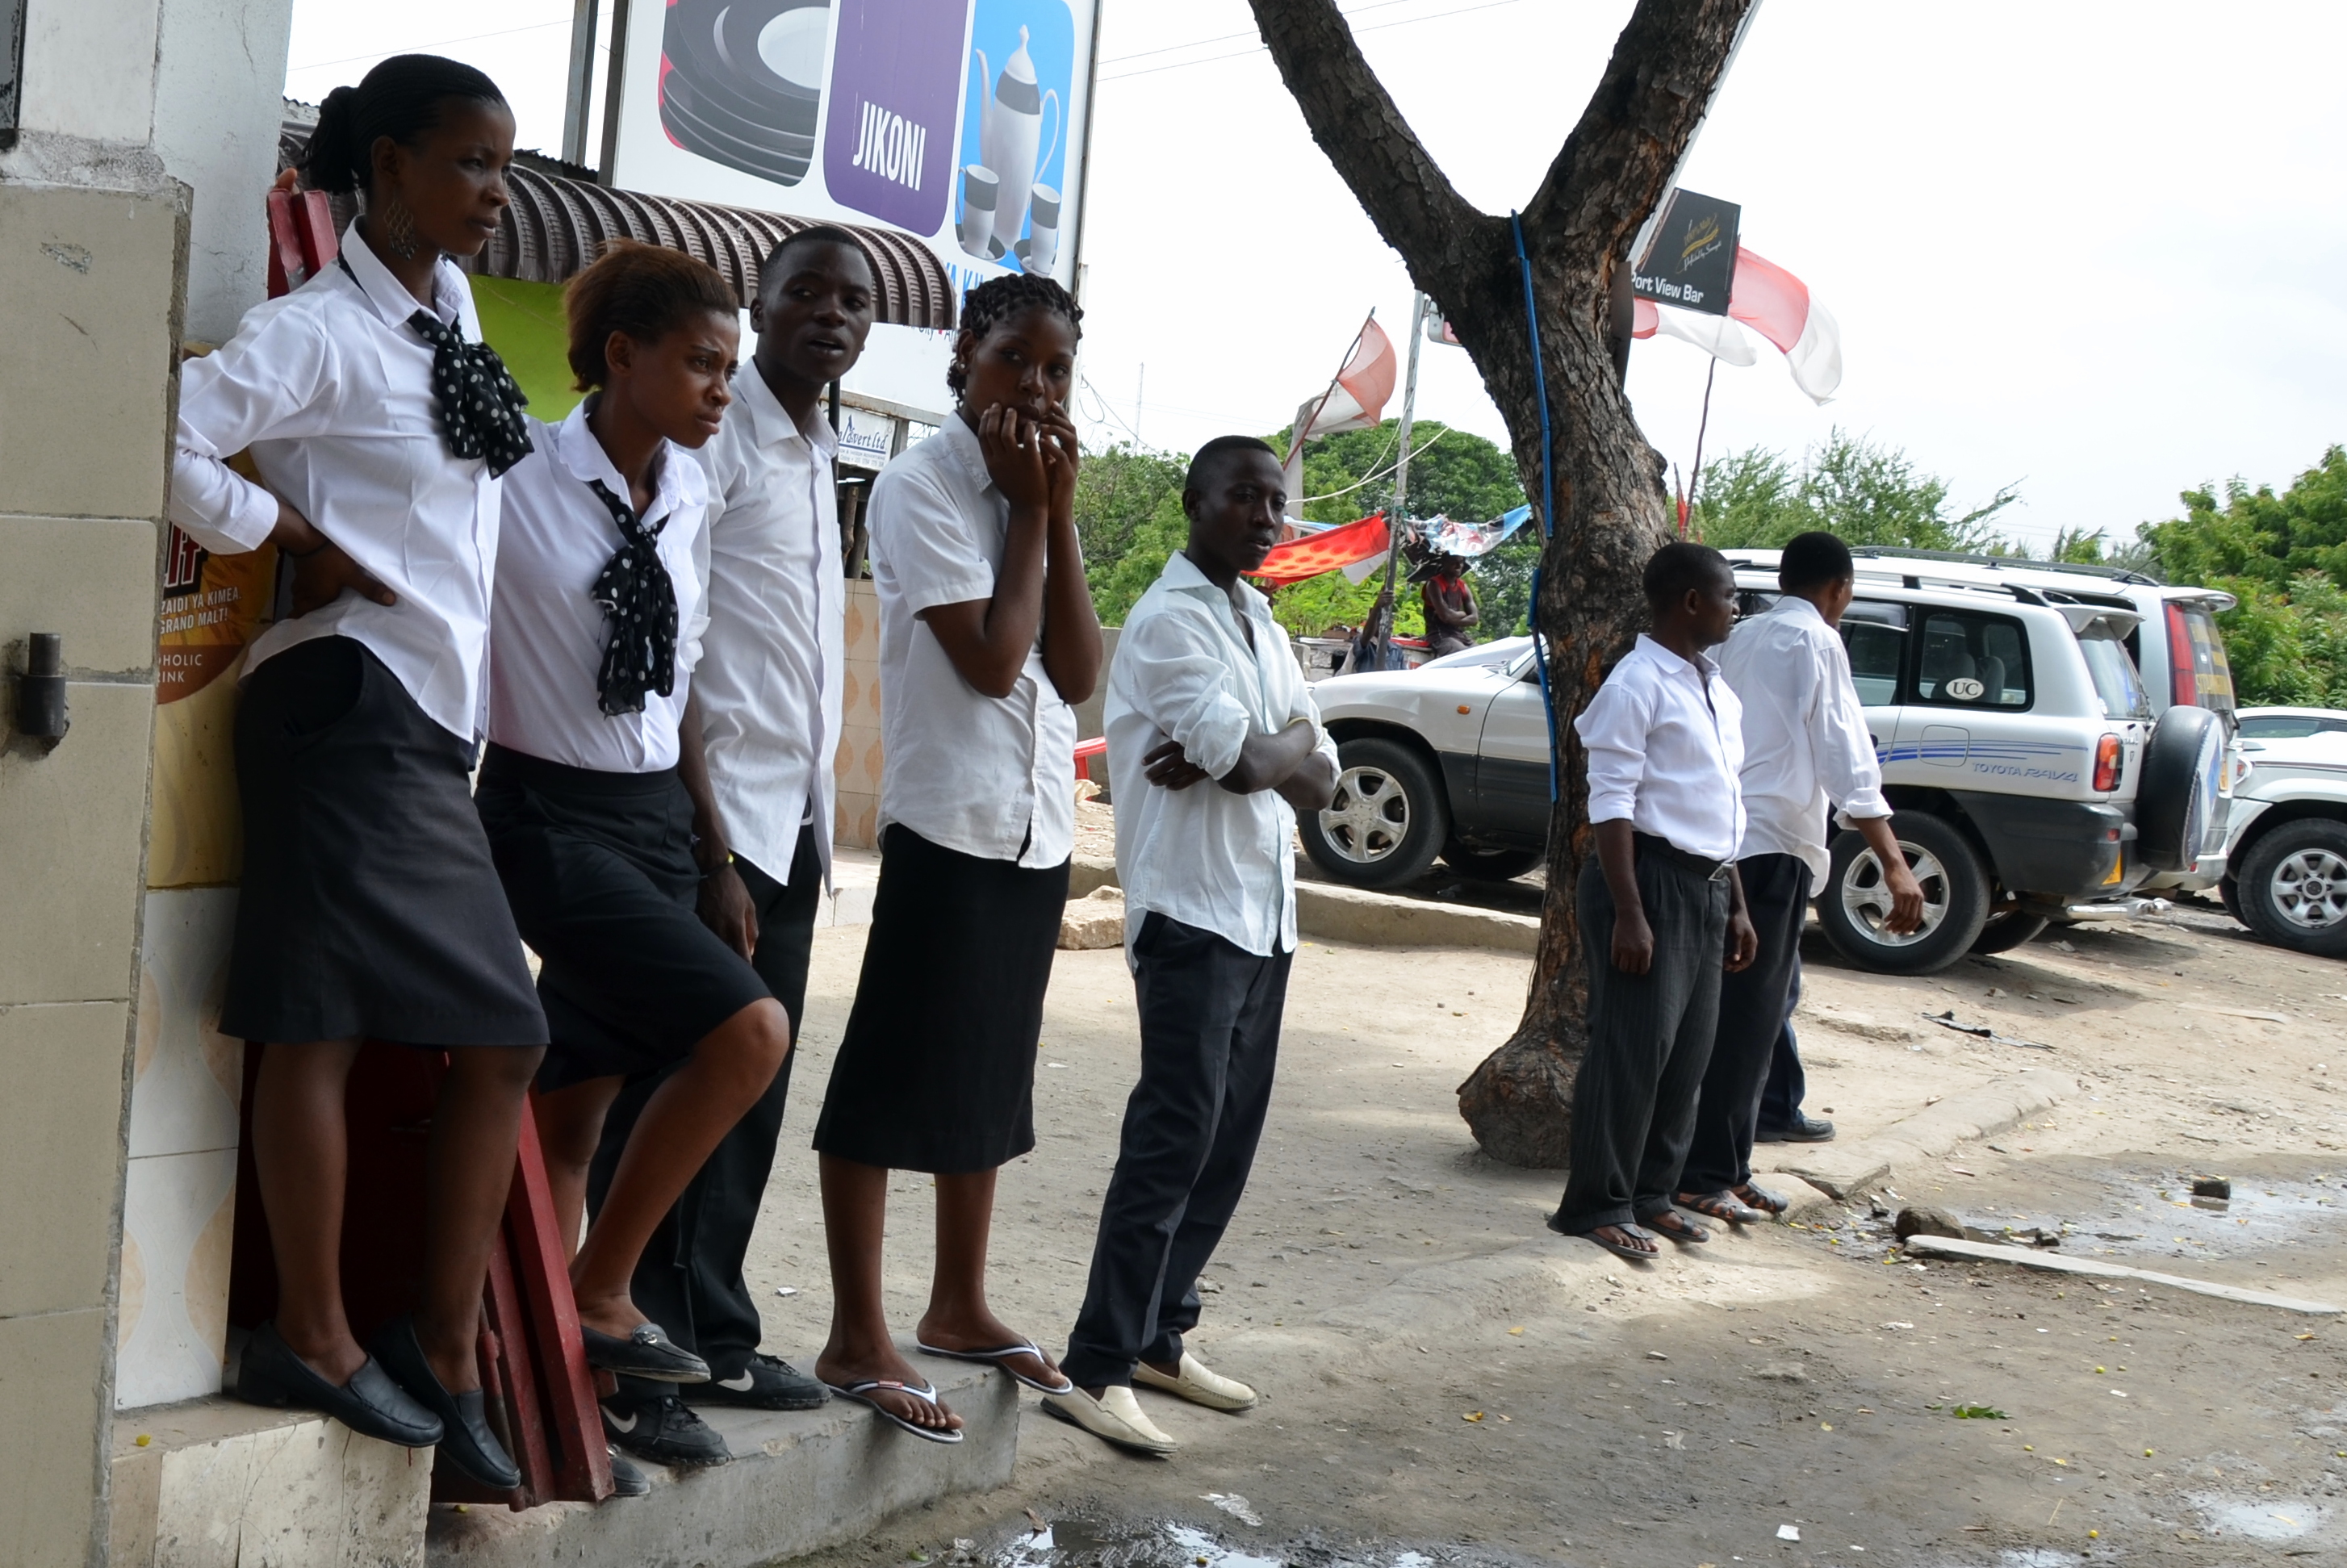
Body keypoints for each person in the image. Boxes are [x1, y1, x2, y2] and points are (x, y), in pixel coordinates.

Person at [168, 56, 545, 1488]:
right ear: (388, 165)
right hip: (349, 699)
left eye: (503, 168)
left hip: (422, 718)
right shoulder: (318, 330)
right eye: (469, 164)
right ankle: (338, 1336)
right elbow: (166, 429)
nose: (494, 194)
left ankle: (400, 1340)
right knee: (468, 1026)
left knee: (352, 1030)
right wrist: (286, 535)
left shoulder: (453, 318)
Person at [471, 245, 797, 1457]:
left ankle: (565, 1388)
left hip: (657, 815)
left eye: (730, 366)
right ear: (621, 355)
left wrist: (714, 853)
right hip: (542, 817)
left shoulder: (691, 491)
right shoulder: (515, 471)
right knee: (749, 1031)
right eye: (702, 363)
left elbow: (681, 684)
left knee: (573, 1120)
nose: (722, 389)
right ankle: (604, 1292)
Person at [583, 227, 876, 1468]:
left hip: (791, 815)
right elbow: (682, 648)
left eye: (853, 300)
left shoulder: (818, 449)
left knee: (753, 1088)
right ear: (762, 303)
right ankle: (643, 1332)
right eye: (806, 291)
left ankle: (715, 1325)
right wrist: (708, 847)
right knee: (685, 1079)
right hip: (719, 817)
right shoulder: (718, 437)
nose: (830, 313)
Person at [808, 273, 1102, 1441]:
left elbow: (1075, 671)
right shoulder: (921, 485)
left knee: (986, 1073)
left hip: (1034, 827)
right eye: (1012, 358)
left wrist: (1058, 512)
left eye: (1056, 369)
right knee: (889, 1080)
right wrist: (1028, 513)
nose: (1035, 386)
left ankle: (959, 1303)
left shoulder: (1041, 489)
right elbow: (990, 660)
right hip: (949, 819)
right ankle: (855, 1332)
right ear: (963, 357)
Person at [1044, 437, 1339, 1455]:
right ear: (1194, 501)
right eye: (1244, 496)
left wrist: (1265, 746)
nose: (1265, 516)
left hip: (1264, 915)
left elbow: (1320, 774)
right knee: (1172, 1140)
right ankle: (1094, 1365)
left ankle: (1159, 1336)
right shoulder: (1169, 620)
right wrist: (1269, 746)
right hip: (1192, 914)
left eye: (1275, 501)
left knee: (1224, 1143)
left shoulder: (1260, 620)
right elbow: (1258, 762)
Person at [1676, 533, 1922, 1221]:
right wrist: (1893, 860)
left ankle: (1726, 1164)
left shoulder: (1742, 634)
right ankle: (1706, 1173)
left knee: (1743, 1009)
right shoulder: (1817, 641)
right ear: (1840, 589)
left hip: (1724, 836)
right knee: (1749, 1018)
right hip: (1772, 844)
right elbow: (1846, 754)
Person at [1547, 541, 1758, 1262]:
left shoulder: (1716, 688)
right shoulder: (1636, 684)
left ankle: (1652, 1191)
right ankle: (1597, 1203)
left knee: (1688, 1052)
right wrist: (1630, 912)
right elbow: (1611, 804)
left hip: (1708, 883)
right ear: (1691, 601)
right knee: (1633, 1049)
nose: (1737, 608)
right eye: (1729, 596)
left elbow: (1723, 803)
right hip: (1647, 881)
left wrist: (1736, 901)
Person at [1421, 556, 1479, 657]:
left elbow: (1474, 619)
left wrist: (1453, 617)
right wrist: (1462, 614)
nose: (1459, 566)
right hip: (1439, 635)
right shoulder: (1434, 584)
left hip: (1458, 635)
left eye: (1461, 562)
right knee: (1461, 654)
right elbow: (1445, 617)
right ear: (1444, 563)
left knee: (1482, 653)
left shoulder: (1463, 586)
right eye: (1454, 562)